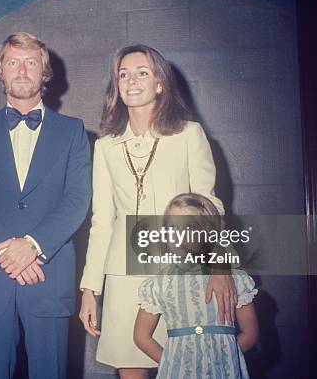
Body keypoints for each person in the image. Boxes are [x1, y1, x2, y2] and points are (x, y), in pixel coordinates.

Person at [79, 44, 236, 379]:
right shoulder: (105, 147)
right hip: (123, 273)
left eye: (142, 73)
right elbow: (102, 222)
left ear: (160, 83)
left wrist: (220, 263)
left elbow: (210, 206)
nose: (131, 81)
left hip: (181, 268)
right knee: (130, 363)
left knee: (187, 364)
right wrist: (90, 290)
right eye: (123, 74)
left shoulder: (188, 134)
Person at [0, 32, 92, 379]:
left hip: (49, 274)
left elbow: (77, 199)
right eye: (12, 62)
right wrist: (9, 252)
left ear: (45, 73)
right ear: (0, 71)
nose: (21, 70)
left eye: (31, 62)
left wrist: (32, 247)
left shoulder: (73, 131)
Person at [133, 193, 259, 378]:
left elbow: (251, 333)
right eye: (173, 227)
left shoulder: (234, 281)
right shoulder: (159, 284)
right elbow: (141, 337)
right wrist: (172, 364)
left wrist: (226, 357)